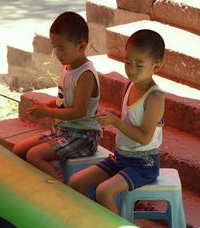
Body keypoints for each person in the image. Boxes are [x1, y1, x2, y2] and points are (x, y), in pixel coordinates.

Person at [69, 29, 165, 214]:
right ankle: (86, 227)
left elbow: (144, 138)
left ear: (156, 67)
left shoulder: (155, 97)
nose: (131, 69)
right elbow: (130, 118)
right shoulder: (130, 85)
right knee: (76, 182)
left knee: (104, 191)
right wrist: (112, 115)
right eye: (127, 62)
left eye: (139, 65)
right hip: (120, 158)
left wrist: (115, 122)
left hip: (144, 164)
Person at [12, 11, 101, 181]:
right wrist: (47, 106)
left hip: (82, 136)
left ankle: (60, 191)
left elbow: (79, 112)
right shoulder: (67, 67)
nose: (57, 54)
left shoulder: (86, 74)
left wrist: (47, 113)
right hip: (62, 131)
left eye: (61, 48)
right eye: (54, 47)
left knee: (34, 156)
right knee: (19, 150)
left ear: (81, 46)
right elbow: (64, 101)